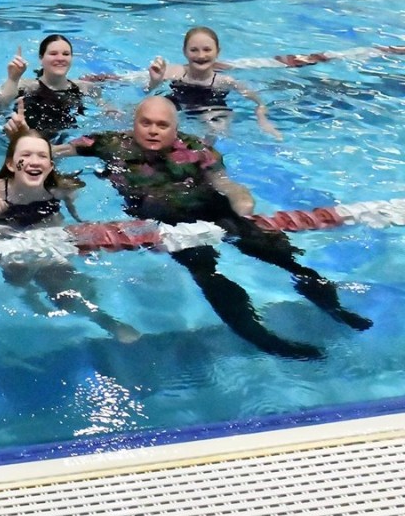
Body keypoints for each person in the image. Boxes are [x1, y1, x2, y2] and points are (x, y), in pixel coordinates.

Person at [54, 96, 369, 359]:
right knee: (207, 273)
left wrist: (242, 202)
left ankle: (335, 309)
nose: (152, 131)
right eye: (145, 123)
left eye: (162, 125)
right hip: (170, 222)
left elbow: (225, 184)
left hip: (213, 208)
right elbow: (56, 152)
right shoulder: (109, 143)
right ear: (134, 123)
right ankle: (260, 336)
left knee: (285, 257)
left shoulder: (195, 148)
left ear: (175, 128)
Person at [0, 130, 139, 342]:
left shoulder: (59, 190)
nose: (34, 161)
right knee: (18, 275)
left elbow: (76, 219)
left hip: (43, 236)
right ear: (11, 165)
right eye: (26, 155)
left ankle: (105, 320)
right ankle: (28, 294)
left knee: (65, 288)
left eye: (42, 156)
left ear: (50, 165)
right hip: (4, 235)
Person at [147, 26, 281, 139]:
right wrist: (155, 81)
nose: (201, 55)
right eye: (194, 50)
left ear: (217, 52)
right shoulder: (174, 72)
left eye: (207, 50)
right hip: (177, 105)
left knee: (217, 129)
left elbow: (259, 102)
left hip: (212, 109)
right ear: (185, 52)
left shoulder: (224, 82)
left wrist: (262, 119)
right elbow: (148, 92)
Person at [0, 34, 109, 141]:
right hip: (25, 141)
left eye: (66, 54)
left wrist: (111, 111)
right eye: (53, 54)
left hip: (65, 141)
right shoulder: (24, 86)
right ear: (41, 58)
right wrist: (13, 78)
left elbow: (106, 108)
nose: (60, 58)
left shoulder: (86, 88)